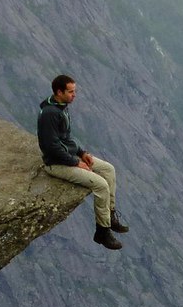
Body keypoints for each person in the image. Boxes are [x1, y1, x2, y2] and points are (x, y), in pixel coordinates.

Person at [37, 74, 130, 250]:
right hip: (56, 164)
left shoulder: (60, 107)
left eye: (75, 91)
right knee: (101, 185)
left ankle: (109, 217)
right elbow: (51, 147)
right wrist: (74, 161)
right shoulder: (50, 114)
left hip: (69, 157)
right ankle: (102, 232)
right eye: (71, 92)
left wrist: (81, 153)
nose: (74, 95)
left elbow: (65, 138)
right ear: (59, 92)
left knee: (108, 170)